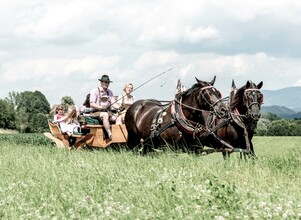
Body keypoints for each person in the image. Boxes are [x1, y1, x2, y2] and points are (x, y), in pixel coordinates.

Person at [89, 74, 120, 139]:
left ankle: (117, 135)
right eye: (105, 82)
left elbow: (113, 103)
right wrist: (101, 107)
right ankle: (110, 134)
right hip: (95, 112)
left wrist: (120, 107)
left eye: (108, 82)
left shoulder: (110, 92)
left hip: (107, 112)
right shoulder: (95, 90)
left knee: (117, 117)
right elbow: (91, 104)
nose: (107, 84)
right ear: (101, 82)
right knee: (105, 115)